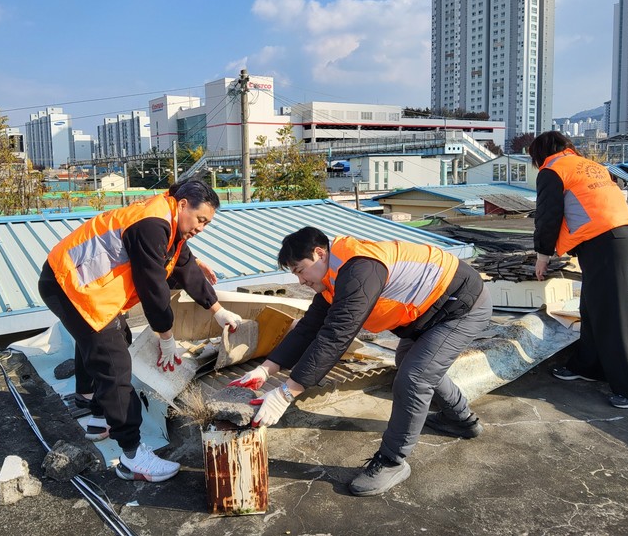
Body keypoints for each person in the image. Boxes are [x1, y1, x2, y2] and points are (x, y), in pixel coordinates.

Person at [231, 227, 492, 496]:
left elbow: (336, 336)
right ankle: (461, 421)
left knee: (415, 378)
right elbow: (309, 328)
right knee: (410, 363)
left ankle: (392, 462)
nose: (300, 281)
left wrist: (287, 392)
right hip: (432, 310)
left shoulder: (359, 270)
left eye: (300, 270)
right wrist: (266, 369)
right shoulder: (334, 278)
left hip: (461, 306)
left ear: (319, 254)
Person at [38, 179, 242, 482]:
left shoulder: (167, 222)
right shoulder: (152, 223)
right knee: (113, 363)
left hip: (80, 286)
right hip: (71, 287)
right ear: (183, 204)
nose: (202, 227)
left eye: (207, 223)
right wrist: (166, 338)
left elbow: (185, 267)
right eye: (201, 219)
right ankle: (133, 455)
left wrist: (218, 310)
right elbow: (153, 288)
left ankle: (99, 418)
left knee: (116, 338)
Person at [529, 131, 628, 409]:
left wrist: (542, 256)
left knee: (614, 313)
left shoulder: (553, 169)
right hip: (614, 238)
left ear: (541, 153)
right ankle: (589, 366)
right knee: (593, 308)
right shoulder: (590, 165)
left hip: (604, 242)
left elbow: (548, 215)